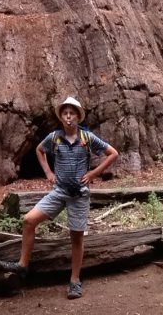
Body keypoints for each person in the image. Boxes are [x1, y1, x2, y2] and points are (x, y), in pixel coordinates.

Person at [17, 96, 118, 298]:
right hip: (59, 191)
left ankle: (74, 281)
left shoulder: (86, 137)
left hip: (79, 195)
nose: (68, 116)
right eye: (65, 113)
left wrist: (93, 174)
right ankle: (22, 266)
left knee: (76, 237)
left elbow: (113, 153)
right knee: (29, 220)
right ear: (61, 117)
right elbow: (39, 150)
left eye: (72, 113)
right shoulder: (55, 137)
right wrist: (48, 172)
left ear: (78, 116)